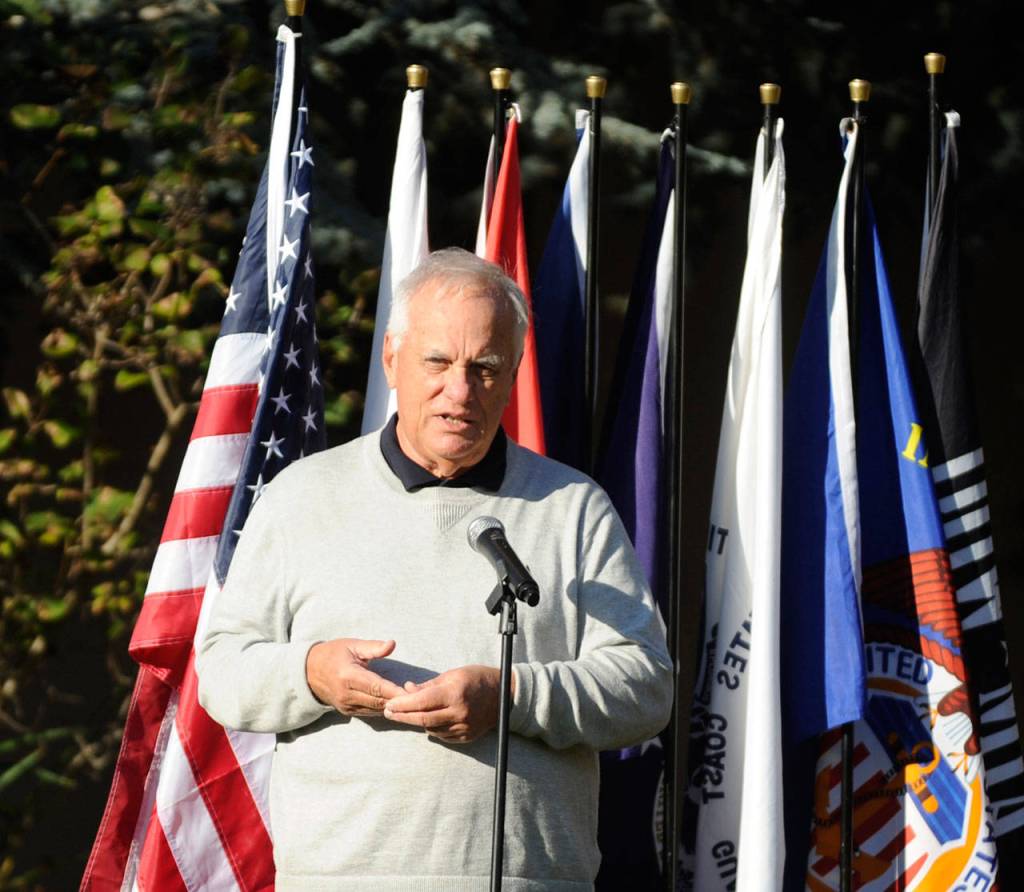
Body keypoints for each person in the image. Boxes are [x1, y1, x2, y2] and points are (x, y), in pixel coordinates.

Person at [197, 247, 673, 890]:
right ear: (392, 359)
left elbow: (645, 688)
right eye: (438, 362)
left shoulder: (572, 508)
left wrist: (510, 696)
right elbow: (222, 671)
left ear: (513, 374)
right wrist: (311, 672)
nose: (460, 391)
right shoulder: (301, 497)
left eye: (485, 367)